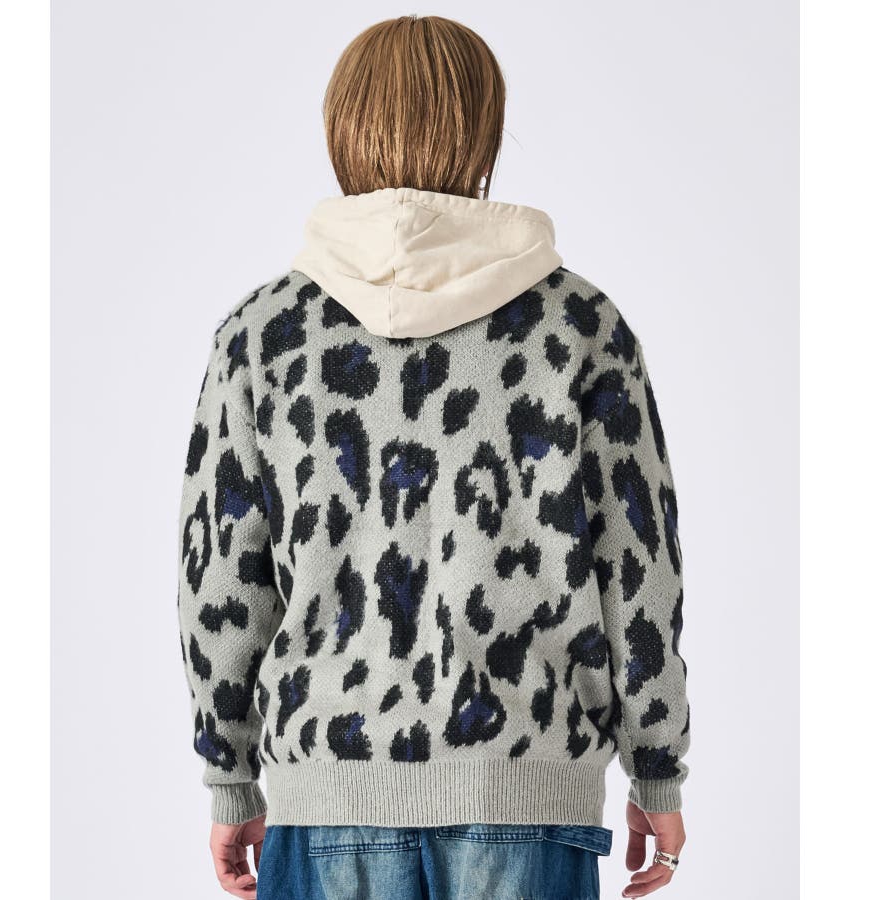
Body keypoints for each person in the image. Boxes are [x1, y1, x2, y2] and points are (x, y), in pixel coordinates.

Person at [176, 14, 689, 900]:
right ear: (482, 128)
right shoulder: (581, 327)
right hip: (528, 793)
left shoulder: (264, 335)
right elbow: (638, 568)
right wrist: (657, 769)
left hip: (327, 795)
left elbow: (221, 577)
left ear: (343, 127)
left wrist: (231, 778)